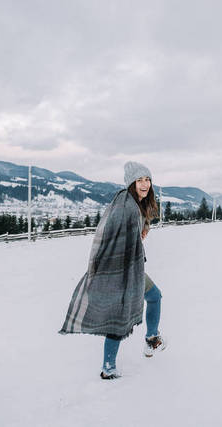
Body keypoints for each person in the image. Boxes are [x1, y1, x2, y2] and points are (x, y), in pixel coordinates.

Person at [59, 161, 166, 379]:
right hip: (118, 269)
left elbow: (134, 233)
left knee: (153, 297)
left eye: (147, 179)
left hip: (132, 268)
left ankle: (150, 340)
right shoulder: (124, 204)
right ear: (131, 183)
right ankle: (111, 366)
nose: (145, 184)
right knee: (120, 317)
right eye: (140, 180)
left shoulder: (136, 204)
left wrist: (141, 233)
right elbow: (112, 235)